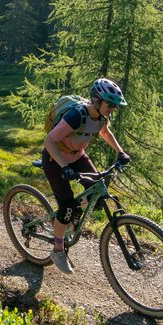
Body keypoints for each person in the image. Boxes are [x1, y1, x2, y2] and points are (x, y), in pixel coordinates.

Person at [42, 77, 130, 275]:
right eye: (111, 104)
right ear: (98, 100)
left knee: (97, 196)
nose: (113, 108)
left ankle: (69, 217)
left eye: (116, 105)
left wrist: (120, 151)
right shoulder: (75, 116)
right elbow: (49, 141)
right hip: (55, 160)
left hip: (77, 156)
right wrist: (64, 166)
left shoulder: (101, 117)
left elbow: (104, 132)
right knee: (66, 206)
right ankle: (58, 250)